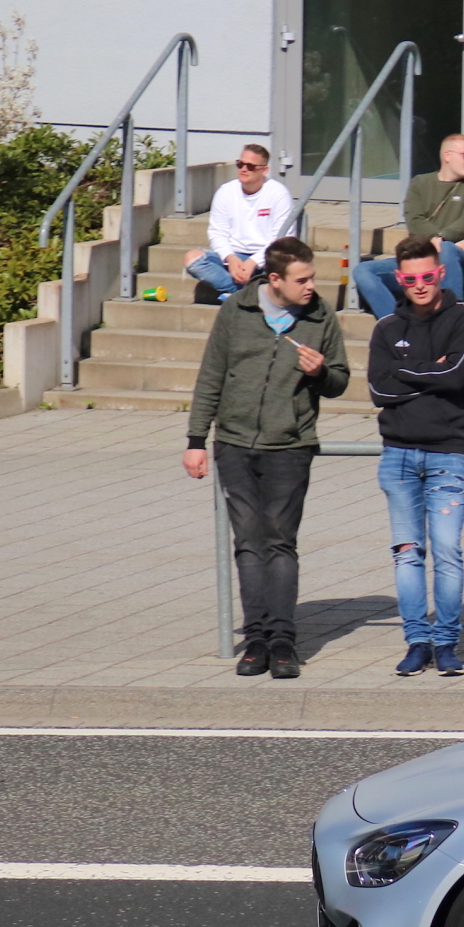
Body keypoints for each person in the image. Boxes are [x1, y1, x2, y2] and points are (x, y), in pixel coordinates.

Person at [181, 236, 350, 678]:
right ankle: (254, 638)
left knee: (280, 543)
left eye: (312, 277)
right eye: (302, 279)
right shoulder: (236, 311)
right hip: (234, 444)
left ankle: (283, 640)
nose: (311, 286)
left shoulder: (320, 316)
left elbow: (341, 380)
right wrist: (196, 440)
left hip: (290, 447)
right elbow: (211, 377)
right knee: (248, 543)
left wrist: (321, 373)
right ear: (274, 280)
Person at [366, 237, 464, 679]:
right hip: (397, 455)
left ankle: (447, 642)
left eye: (427, 276)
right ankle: (417, 640)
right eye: (410, 279)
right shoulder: (385, 329)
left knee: (448, 550)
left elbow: (457, 377)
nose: (419, 285)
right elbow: (378, 391)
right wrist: (431, 372)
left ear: (440, 274)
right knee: (406, 553)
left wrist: (407, 374)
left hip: (448, 453)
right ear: (398, 280)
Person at [352, 135, 464, 319]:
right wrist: (439, 240)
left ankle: (449, 319)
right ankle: (397, 326)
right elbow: (415, 220)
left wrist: (442, 240)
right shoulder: (420, 183)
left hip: (460, 264)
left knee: (448, 250)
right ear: (447, 156)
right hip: (419, 262)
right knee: (363, 271)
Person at [183, 145, 294, 304]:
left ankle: (243, 293)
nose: (243, 169)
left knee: (283, 266)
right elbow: (217, 232)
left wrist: (253, 262)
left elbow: (282, 240)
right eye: (240, 164)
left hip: (268, 260)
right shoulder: (226, 191)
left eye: (250, 166)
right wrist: (231, 258)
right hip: (236, 257)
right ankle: (243, 293)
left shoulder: (279, 194)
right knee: (193, 259)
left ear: (264, 170)